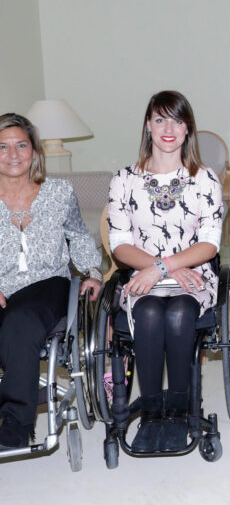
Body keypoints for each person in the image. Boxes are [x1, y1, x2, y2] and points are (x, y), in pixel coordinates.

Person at [107, 91, 223, 453]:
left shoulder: (204, 179)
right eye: (160, 120)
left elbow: (210, 243)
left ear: (188, 128)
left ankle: (178, 407)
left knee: (179, 313)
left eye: (176, 120)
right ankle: (153, 410)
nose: (168, 128)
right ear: (148, 126)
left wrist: (165, 267)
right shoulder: (124, 180)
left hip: (193, 275)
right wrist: (155, 271)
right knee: (148, 312)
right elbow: (120, 244)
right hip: (143, 277)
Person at [0, 113, 101, 450]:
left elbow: (78, 236)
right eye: (2, 147)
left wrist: (92, 272)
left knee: (20, 324)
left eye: (21, 145)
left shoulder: (58, 193)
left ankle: (16, 424)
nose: (13, 154)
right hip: (3, 287)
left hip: (48, 284)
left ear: (34, 151)